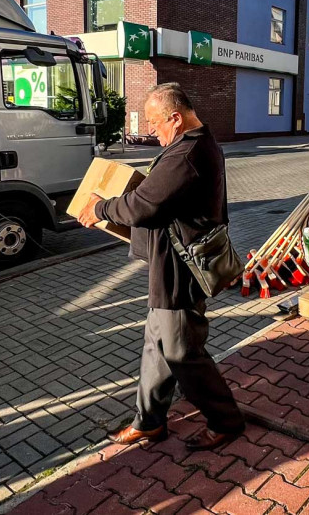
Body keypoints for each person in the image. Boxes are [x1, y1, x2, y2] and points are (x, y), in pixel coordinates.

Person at [77, 83, 244, 451]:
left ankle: (226, 420)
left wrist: (101, 208)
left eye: (154, 123)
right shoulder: (196, 144)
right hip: (168, 269)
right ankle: (149, 421)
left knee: (182, 353)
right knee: (157, 346)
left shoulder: (186, 154)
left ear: (175, 117)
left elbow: (143, 205)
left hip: (180, 274)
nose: (151, 130)